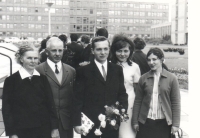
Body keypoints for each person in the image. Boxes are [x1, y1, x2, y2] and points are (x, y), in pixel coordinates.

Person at [73, 36, 128, 138]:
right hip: (91, 123)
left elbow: (122, 93)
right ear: (92, 51)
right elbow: (77, 99)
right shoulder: (83, 71)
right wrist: (76, 122)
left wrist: (121, 112)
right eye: (99, 49)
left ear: (109, 49)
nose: (102, 52)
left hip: (112, 123)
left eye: (105, 49)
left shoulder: (117, 70)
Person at [2, 45, 59, 138]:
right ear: (21, 59)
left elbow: (50, 104)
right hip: (21, 131)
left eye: (35, 58)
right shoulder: (11, 81)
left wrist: (54, 128)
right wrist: (12, 133)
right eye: (29, 58)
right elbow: (7, 109)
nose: (33, 61)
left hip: (43, 129)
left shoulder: (43, 79)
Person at [132, 47, 180, 138]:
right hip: (146, 123)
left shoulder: (172, 78)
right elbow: (138, 101)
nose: (151, 62)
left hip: (164, 124)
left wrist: (176, 124)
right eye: (149, 60)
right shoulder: (143, 78)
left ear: (162, 60)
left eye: (154, 59)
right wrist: (135, 121)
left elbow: (176, 102)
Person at [36, 37, 76, 138]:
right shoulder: (38, 70)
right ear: (46, 52)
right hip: (45, 123)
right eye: (54, 50)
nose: (57, 54)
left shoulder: (71, 71)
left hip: (66, 122)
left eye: (60, 50)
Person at [110, 34, 141, 138]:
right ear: (114, 51)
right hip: (111, 105)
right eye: (119, 51)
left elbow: (137, 90)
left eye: (125, 51)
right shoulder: (109, 65)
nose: (122, 54)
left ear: (130, 51)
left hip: (129, 106)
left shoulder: (135, 67)